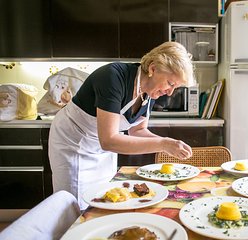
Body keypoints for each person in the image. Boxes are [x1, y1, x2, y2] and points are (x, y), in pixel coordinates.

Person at [49, 42, 194, 210]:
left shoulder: (150, 92)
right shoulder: (113, 77)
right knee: (74, 205)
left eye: (175, 87)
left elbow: (137, 131)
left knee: (105, 199)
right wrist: (163, 144)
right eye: (170, 83)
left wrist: (169, 143)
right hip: (73, 142)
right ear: (153, 69)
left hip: (102, 146)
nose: (170, 92)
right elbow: (109, 140)